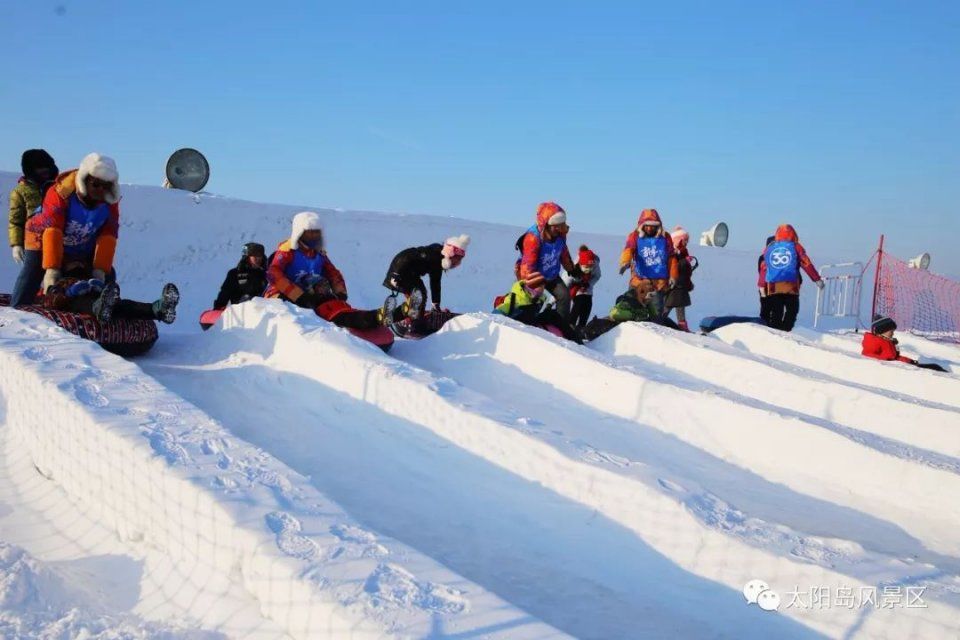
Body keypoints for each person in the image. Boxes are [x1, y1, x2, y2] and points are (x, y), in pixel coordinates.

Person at [16, 153, 120, 308]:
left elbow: (108, 234)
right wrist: (52, 269)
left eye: (106, 186)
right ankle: (19, 307)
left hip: (81, 240)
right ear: (85, 180)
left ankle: (103, 307)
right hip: (42, 236)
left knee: (108, 274)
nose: (100, 190)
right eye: (96, 185)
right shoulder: (61, 192)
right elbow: (53, 230)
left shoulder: (110, 201)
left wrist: (99, 271)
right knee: (34, 271)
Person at [264, 211, 381, 329]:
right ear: (300, 232)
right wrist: (298, 296)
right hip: (283, 294)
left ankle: (367, 319)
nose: (314, 236)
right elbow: (274, 273)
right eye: (310, 233)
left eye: (317, 232)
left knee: (331, 304)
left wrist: (340, 292)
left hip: (310, 294)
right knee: (289, 310)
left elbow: (333, 273)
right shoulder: (287, 251)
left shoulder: (318, 254)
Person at [43, 261, 179, 324]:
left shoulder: (89, 279)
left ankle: (159, 310)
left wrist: (100, 288)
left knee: (123, 305)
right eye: (74, 263)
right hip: (76, 303)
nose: (78, 265)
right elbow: (51, 302)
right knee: (82, 302)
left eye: (80, 264)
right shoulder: (61, 283)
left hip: (102, 301)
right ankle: (99, 309)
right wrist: (69, 293)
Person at [9, 150, 59, 303]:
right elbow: (15, 221)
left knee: (56, 275)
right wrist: (16, 244)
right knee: (31, 273)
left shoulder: (58, 187)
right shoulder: (21, 191)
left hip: (56, 238)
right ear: (30, 169)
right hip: (34, 241)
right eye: (39, 167)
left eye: (47, 166)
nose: (44, 170)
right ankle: (18, 306)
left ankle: (52, 304)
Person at [517, 202, 580, 321]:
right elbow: (527, 267)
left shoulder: (560, 234)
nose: (559, 228)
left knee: (564, 296)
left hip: (551, 274)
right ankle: (527, 324)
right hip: (533, 276)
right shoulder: (533, 238)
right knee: (533, 301)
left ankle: (561, 327)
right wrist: (534, 286)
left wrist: (571, 269)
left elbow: (563, 251)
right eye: (555, 225)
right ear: (546, 224)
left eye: (561, 224)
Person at [382, 234, 469, 320]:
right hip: (400, 270)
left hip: (410, 275)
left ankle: (404, 316)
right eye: (457, 259)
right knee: (419, 295)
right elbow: (407, 256)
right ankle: (414, 320)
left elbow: (435, 283)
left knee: (418, 296)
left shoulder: (438, 262)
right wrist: (396, 274)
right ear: (450, 254)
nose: (457, 264)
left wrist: (436, 304)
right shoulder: (432, 254)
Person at [760, 224, 823, 331]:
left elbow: (764, 268)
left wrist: (761, 285)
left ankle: (775, 333)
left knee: (776, 311)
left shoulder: (769, 248)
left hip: (773, 286)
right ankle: (785, 330)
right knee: (792, 310)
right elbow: (806, 263)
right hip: (791, 286)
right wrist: (816, 279)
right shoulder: (795, 246)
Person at [618, 209, 679, 319]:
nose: (650, 228)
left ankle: (654, 333)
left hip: (658, 284)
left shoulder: (665, 237)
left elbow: (671, 257)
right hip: (639, 281)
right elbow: (628, 250)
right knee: (632, 307)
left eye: (653, 225)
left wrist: (673, 275)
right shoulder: (635, 236)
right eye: (647, 225)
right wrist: (625, 262)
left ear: (658, 226)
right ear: (642, 225)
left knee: (655, 313)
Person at [493, 270, 582, 343]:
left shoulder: (537, 297)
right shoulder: (514, 297)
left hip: (531, 322)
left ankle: (576, 340)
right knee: (529, 313)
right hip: (518, 326)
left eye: (543, 288)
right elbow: (498, 312)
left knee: (552, 314)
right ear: (531, 287)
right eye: (539, 289)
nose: (542, 291)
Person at [861, 316, 948, 372]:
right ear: (882, 331)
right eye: (891, 331)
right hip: (894, 368)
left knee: (935, 366)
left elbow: (895, 357)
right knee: (933, 369)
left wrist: (910, 361)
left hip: (899, 364)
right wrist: (888, 360)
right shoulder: (873, 341)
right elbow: (867, 354)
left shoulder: (886, 340)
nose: (893, 333)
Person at [213, 242, 269, 309]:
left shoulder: (267, 273)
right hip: (242, 311)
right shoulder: (235, 274)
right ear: (247, 257)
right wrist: (218, 308)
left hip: (265, 310)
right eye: (254, 256)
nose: (258, 259)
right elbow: (224, 294)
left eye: (260, 256)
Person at [664, 226, 698, 331]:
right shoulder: (672, 252)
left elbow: (685, 271)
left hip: (681, 285)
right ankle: (658, 322)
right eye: (685, 240)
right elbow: (672, 267)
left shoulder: (684, 251)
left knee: (678, 306)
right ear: (678, 240)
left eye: (687, 240)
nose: (686, 242)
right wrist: (685, 261)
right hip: (674, 285)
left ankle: (682, 326)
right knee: (669, 305)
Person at [563, 245, 601, 330]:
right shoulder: (572, 267)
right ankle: (570, 325)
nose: (589, 269)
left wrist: (589, 284)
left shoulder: (595, 264)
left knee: (588, 304)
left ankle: (581, 327)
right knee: (579, 303)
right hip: (574, 287)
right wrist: (551, 303)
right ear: (581, 264)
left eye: (590, 267)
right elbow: (563, 287)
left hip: (587, 286)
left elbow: (597, 276)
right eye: (586, 267)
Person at [757, 235, 775, 320]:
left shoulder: (762, 257)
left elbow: (759, 271)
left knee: (764, 307)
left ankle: (764, 324)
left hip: (762, 286)